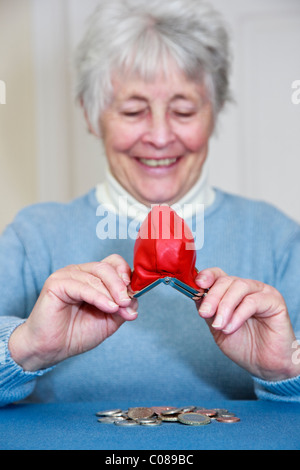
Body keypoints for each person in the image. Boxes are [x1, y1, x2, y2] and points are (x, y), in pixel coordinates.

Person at [0, 0, 300, 407]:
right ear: (90, 115)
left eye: (184, 109)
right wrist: (25, 349)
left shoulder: (279, 240)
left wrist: (286, 372)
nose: (160, 136)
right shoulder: (32, 238)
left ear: (215, 113)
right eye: (133, 110)